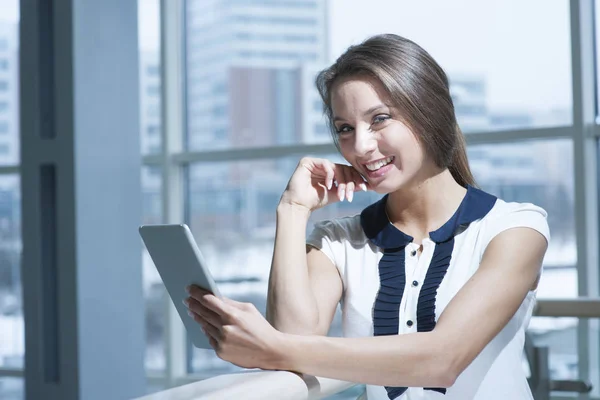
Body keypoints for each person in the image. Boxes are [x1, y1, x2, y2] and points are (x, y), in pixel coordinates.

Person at [183, 33, 550, 400]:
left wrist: (271, 347)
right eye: (345, 128)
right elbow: (294, 344)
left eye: (379, 119)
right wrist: (292, 210)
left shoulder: (515, 229)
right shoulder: (337, 242)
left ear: (430, 112)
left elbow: (444, 359)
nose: (359, 147)